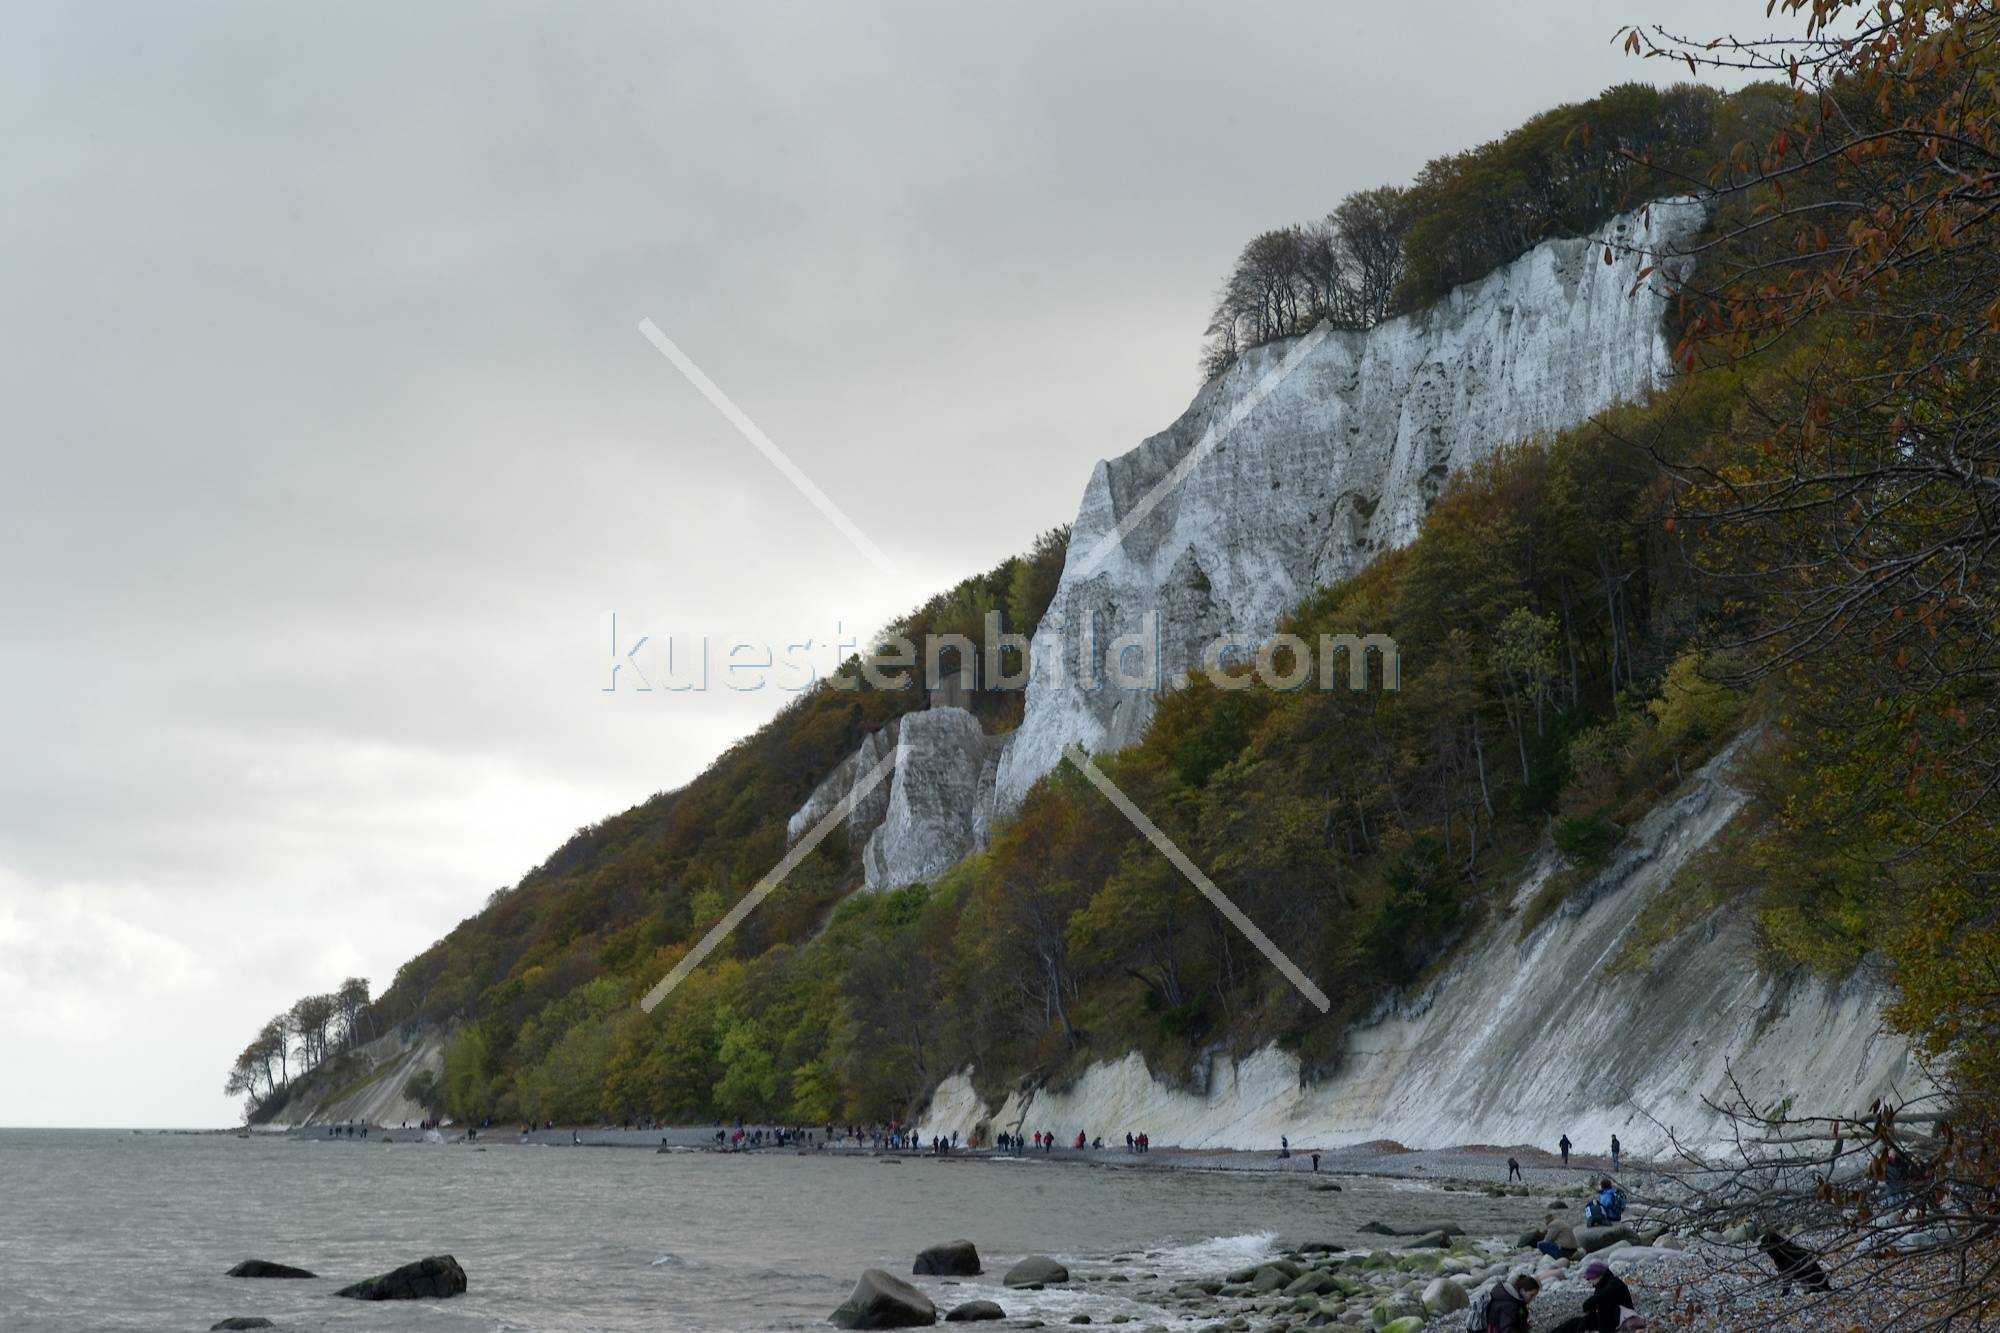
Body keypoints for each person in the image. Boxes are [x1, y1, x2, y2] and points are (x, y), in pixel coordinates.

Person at [1547, 1260, 1636, 1333]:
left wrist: (1588, 1303)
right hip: (1609, 1319)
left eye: (1590, 1278)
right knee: (1574, 1323)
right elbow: (1592, 1310)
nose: (1589, 1281)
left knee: (1604, 1303)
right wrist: (1582, 1326)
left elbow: (1603, 1295)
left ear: (1599, 1276)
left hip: (1622, 1319)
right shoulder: (1600, 1286)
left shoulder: (1615, 1283)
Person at [1759, 1230, 1831, 1294]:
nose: (1767, 1252)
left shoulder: (1785, 1255)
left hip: (1817, 1285)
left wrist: (1784, 1293)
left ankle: (1813, 1288)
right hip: (1817, 1283)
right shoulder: (1787, 1250)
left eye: (1767, 1248)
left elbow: (1787, 1275)